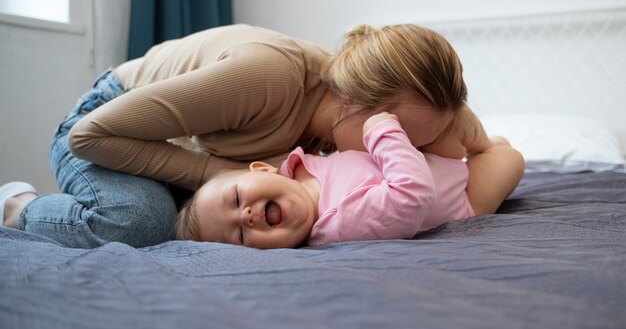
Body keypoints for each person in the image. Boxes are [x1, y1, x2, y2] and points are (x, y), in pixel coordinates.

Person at [1, 23, 480, 248]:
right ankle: (19, 207)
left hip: (172, 147)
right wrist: (216, 173)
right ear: (358, 104)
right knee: (142, 220)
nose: (404, 152)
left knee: (207, 222)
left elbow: (460, 139)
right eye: (400, 136)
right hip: (100, 123)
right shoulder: (269, 76)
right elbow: (90, 136)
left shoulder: (355, 108)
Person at [175, 111, 525, 248]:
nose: (246, 216)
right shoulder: (340, 222)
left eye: (236, 199)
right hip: (461, 196)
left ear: (262, 169)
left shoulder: (301, 166)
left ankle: (486, 145)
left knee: (455, 119)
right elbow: (413, 194)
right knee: (509, 157)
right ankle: (491, 149)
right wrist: (382, 131)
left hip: (429, 158)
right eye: (239, 235)